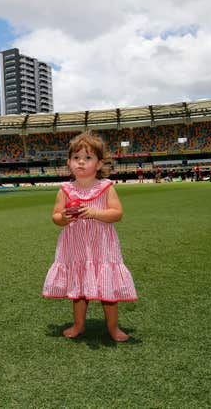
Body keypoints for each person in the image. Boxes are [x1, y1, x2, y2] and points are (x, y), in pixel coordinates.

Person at [42, 131, 137, 342]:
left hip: (101, 245)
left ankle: (113, 327)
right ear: (69, 163)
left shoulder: (106, 187)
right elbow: (56, 216)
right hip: (75, 246)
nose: (81, 163)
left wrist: (94, 212)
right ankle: (78, 325)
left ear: (100, 163)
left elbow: (117, 214)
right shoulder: (65, 190)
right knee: (79, 289)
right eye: (76, 158)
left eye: (88, 158)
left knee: (107, 288)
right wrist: (64, 218)